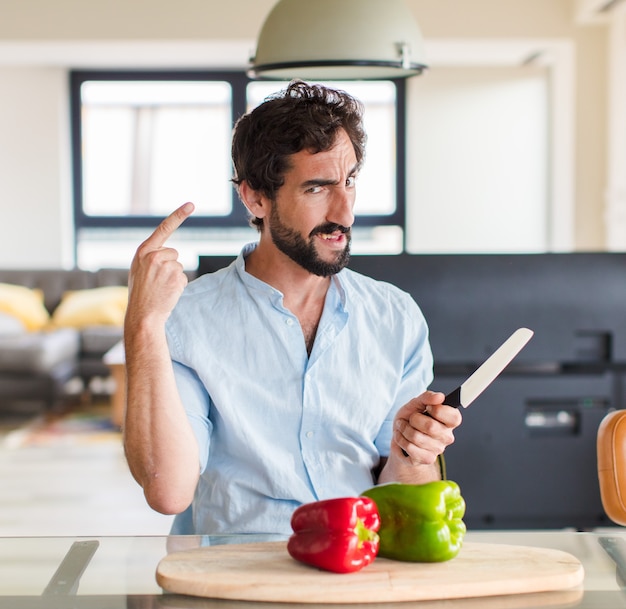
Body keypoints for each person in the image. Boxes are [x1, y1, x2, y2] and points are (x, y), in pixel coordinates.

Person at [123, 80, 462, 536]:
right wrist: (143, 323)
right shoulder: (186, 319)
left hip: (355, 568)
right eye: (318, 188)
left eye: (350, 181)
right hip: (235, 581)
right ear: (255, 198)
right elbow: (169, 491)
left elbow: (399, 490)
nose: (345, 212)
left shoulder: (395, 317)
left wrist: (413, 451)